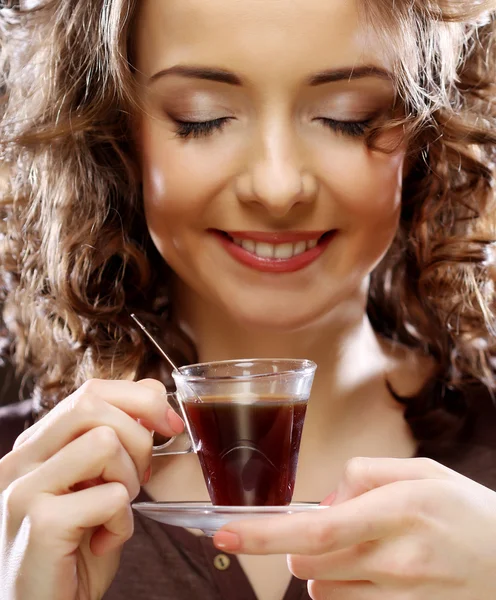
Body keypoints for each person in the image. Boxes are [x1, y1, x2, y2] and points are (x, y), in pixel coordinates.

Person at [1, 0, 496, 598]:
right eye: (201, 117)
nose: (278, 186)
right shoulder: (23, 497)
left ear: (427, 125)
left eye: (348, 117)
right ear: (116, 135)